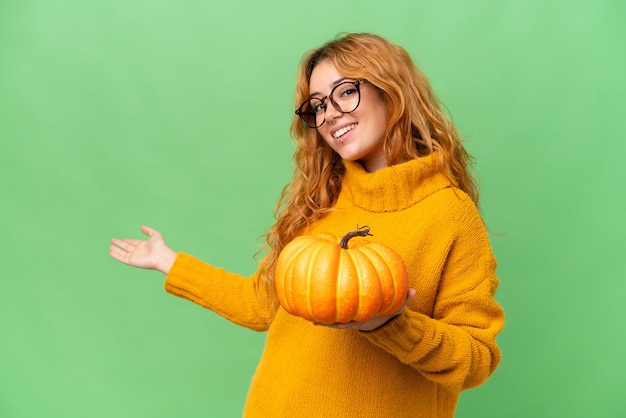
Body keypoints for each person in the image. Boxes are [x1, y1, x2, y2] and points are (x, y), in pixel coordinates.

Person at [110, 33, 504, 417]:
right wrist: (168, 261)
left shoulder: (449, 214)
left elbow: (476, 360)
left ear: (391, 90)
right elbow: (261, 305)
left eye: (345, 92)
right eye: (317, 105)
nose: (329, 112)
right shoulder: (321, 201)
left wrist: (390, 324)